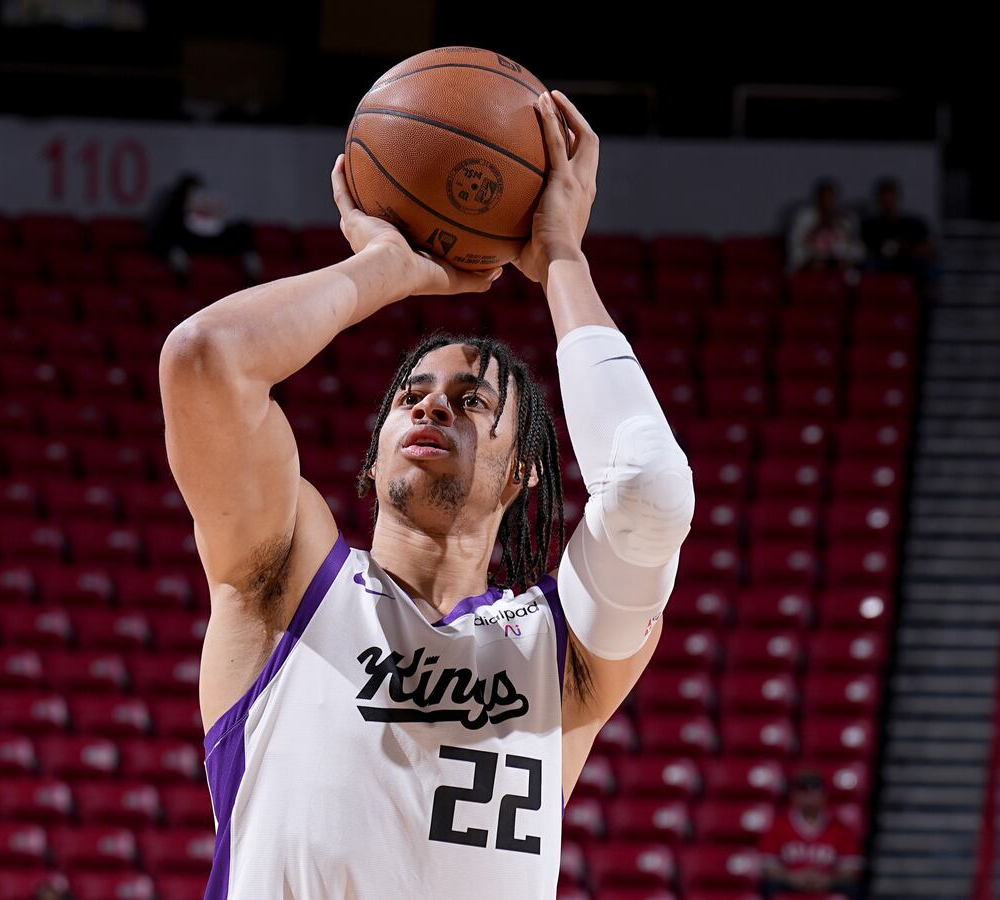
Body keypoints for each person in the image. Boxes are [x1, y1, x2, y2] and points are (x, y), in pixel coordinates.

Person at [159, 91, 695, 898]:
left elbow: (649, 489)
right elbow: (206, 361)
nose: (433, 404)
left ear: (521, 474)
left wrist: (561, 262)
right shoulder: (287, 581)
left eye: (473, 400)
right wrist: (383, 269)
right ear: (372, 461)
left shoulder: (563, 651)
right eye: (411, 395)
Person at [760, 771, 864, 899]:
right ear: (794, 796)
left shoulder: (841, 829)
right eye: (804, 792)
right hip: (790, 883)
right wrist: (792, 877)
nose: (809, 798)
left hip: (828, 884)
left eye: (814, 792)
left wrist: (827, 880)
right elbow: (768, 866)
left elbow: (850, 869)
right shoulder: (777, 826)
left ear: (825, 795)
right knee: (770, 887)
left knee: (852, 889)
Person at [148, 172, 261, 281]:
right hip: (189, 241)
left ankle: (252, 269)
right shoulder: (175, 210)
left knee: (243, 229)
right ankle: (179, 264)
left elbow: (219, 219)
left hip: (217, 240)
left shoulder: (211, 201)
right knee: (169, 231)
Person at [860, 177, 934, 279]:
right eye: (884, 200)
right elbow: (862, 251)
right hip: (880, 266)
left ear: (897, 198)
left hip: (907, 264)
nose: (888, 204)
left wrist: (905, 247)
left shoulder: (913, 224)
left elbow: (927, 250)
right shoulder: (870, 225)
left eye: (891, 199)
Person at [786, 178, 865, 273]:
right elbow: (795, 250)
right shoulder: (804, 218)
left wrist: (843, 230)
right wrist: (817, 227)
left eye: (830, 198)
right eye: (824, 198)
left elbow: (859, 252)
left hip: (840, 265)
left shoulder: (846, 219)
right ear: (817, 199)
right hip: (810, 265)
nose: (827, 203)